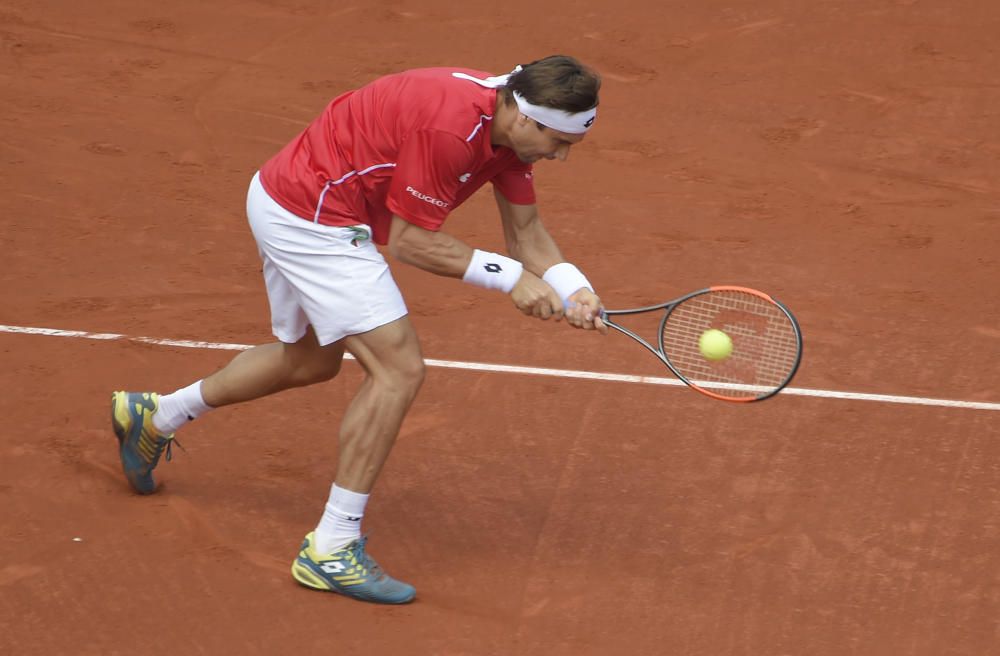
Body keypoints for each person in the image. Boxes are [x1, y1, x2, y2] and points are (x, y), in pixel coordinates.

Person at [110, 55, 607, 605]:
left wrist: (572, 288)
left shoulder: (509, 127)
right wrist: (510, 279)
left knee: (309, 361)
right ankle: (331, 548)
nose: (559, 156)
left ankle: (155, 416)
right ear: (527, 119)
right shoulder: (450, 127)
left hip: (287, 195)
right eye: (558, 142)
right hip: (313, 215)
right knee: (398, 369)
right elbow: (412, 242)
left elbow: (528, 231)